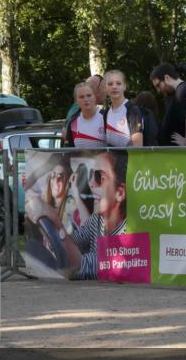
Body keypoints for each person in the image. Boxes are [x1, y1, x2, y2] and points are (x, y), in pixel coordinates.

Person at [50, 151, 128, 281]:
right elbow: (73, 241)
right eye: (91, 176)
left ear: (119, 193)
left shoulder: (127, 233)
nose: (91, 183)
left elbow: (82, 265)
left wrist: (54, 221)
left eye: (99, 177)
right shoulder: (96, 220)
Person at [151, 63, 186, 146]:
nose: (158, 90)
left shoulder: (183, 91)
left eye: (158, 85)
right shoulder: (177, 93)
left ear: (167, 78)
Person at [102, 70, 144, 147]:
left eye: (118, 83)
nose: (114, 87)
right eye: (110, 84)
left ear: (124, 86)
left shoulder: (132, 110)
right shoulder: (106, 113)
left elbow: (138, 147)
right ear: (105, 88)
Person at [63, 81, 107, 148]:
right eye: (81, 97)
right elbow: (68, 151)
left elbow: (116, 149)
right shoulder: (73, 122)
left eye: (89, 95)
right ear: (76, 101)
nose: (86, 99)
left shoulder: (106, 117)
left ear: (94, 97)